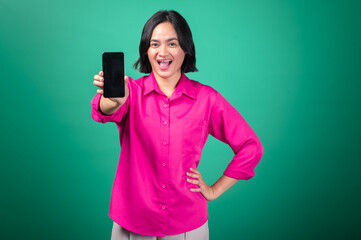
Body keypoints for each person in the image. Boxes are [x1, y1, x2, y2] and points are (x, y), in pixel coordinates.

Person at [91, 10, 263, 240]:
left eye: (172, 43)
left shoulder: (207, 99)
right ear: (146, 51)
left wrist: (213, 190)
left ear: (185, 49)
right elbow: (104, 110)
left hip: (187, 226)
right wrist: (111, 100)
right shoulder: (129, 91)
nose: (163, 52)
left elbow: (251, 146)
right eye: (154, 44)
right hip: (131, 225)